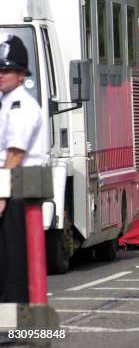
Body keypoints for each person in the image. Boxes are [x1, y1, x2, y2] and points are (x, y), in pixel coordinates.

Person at [0, 34, 47, 303]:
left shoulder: (21, 105)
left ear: (21, 75)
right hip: (11, 184)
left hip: (19, 187)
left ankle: (13, 326)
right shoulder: (6, 103)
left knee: (13, 262)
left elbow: (15, 153)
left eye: (7, 69)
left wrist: (2, 194)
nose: (1, 74)